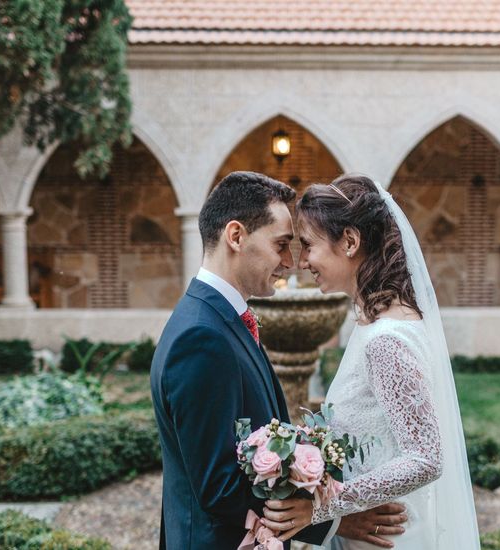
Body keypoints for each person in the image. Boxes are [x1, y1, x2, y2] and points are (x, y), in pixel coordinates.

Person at [150, 171, 409, 549]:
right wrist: (333, 521)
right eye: (281, 244)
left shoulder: (216, 319)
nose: (290, 262)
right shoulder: (201, 337)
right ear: (236, 237)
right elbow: (218, 487)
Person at [260, 173, 481, 549]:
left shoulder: (385, 340)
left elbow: (425, 457)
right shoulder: (380, 321)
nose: (303, 262)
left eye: (309, 245)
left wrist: (323, 506)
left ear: (349, 241)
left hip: (386, 538)